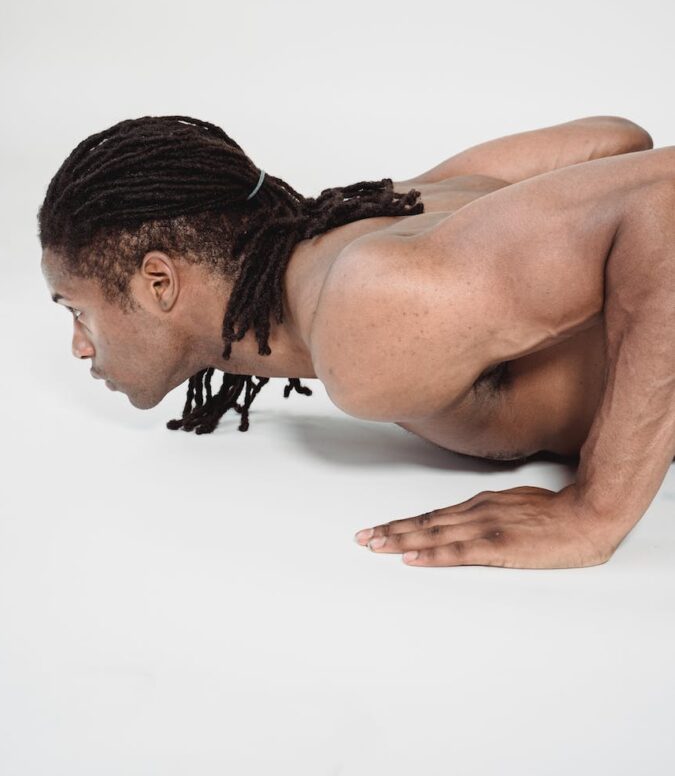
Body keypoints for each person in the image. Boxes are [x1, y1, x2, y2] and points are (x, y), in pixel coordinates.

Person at [40, 113, 672, 570]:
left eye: (78, 311)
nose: (78, 347)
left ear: (158, 282)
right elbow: (620, 142)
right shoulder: (378, 220)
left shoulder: (362, 315)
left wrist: (597, 511)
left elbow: (661, 201)